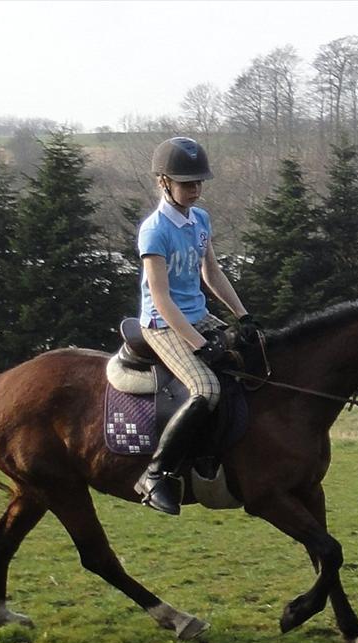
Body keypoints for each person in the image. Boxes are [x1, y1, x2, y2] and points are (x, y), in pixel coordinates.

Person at [133, 137, 260, 515]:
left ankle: (220, 453)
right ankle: (154, 474)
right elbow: (160, 298)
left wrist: (242, 315)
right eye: (187, 183)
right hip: (162, 322)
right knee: (205, 389)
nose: (195, 190)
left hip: (197, 313)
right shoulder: (154, 231)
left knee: (254, 358)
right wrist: (198, 343)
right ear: (163, 182)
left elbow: (212, 271)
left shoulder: (200, 220)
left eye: (198, 183)